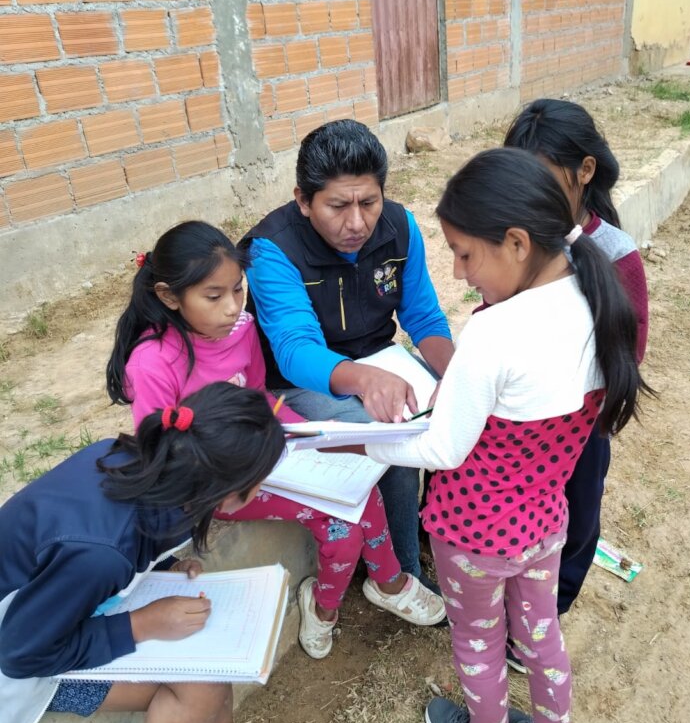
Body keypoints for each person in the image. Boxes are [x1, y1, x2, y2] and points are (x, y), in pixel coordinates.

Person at [356, 148, 651, 723]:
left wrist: (366, 445)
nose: (460, 274)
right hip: (545, 523)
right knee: (541, 638)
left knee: (482, 644)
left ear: (516, 243)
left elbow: (442, 449)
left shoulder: (493, 332)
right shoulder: (596, 299)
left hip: (471, 540)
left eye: (464, 254)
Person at [0, 383, 300, 723]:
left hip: (54, 612)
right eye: (258, 484)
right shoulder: (101, 551)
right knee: (202, 687)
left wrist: (161, 563)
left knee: (209, 678)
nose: (263, 492)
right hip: (20, 662)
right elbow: (21, 653)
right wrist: (143, 623)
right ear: (225, 490)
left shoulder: (134, 463)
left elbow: (109, 555)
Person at [106, 221, 444, 661]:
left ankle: (380, 583)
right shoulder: (152, 362)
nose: (232, 308)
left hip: (268, 454)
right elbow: (163, 449)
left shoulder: (242, 329)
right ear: (170, 296)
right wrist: (248, 464)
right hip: (216, 484)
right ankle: (328, 608)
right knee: (340, 522)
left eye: (238, 290)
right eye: (214, 296)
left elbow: (262, 397)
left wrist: (310, 432)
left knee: (360, 484)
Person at [240, 120, 454, 588]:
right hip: (299, 382)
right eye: (338, 206)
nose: (357, 223)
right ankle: (399, 577)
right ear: (303, 200)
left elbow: (424, 318)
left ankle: (435, 525)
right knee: (388, 435)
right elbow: (296, 351)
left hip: (380, 359)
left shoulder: (400, 226)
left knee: (453, 409)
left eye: (369, 202)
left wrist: (459, 375)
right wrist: (365, 381)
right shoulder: (271, 249)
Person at [503, 99, 649, 648]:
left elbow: (628, 356)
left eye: (539, 176)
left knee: (575, 517)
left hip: (580, 428)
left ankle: (544, 620)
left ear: (585, 171)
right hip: (516, 420)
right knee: (517, 518)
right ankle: (502, 598)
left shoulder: (613, 254)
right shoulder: (515, 237)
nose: (526, 190)